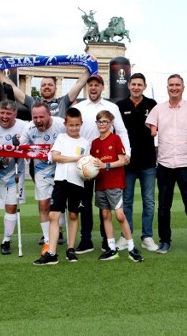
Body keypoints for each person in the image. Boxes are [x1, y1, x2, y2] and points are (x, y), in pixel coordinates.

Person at [146, 74, 187, 255]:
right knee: (164, 206)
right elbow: (152, 132)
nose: (174, 88)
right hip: (165, 163)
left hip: (186, 163)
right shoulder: (158, 109)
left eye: (177, 85)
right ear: (167, 87)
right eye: (171, 85)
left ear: (183, 87)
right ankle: (165, 241)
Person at [75, 74, 131, 254]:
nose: (93, 88)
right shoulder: (79, 106)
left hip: (105, 161)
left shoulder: (111, 107)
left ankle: (107, 241)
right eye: (90, 84)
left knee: (104, 204)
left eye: (96, 85)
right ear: (86, 87)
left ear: (102, 87)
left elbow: (121, 131)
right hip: (85, 162)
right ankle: (86, 240)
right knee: (85, 202)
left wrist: (126, 153)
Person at [33, 108, 89, 265]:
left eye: (77, 125)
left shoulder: (85, 142)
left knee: (73, 215)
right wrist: (76, 158)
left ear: (81, 124)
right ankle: (51, 252)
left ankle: (70, 249)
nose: (74, 128)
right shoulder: (61, 138)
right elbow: (56, 157)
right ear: (65, 124)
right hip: (60, 181)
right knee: (53, 216)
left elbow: (86, 164)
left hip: (77, 183)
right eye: (71, 125)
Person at [91, 110, 144, 262]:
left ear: (111, 123)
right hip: (100, 183)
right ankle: (112, 248)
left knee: (120, 215)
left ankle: (132, 248)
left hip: (114, 183)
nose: (102, 124)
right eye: (99, 122)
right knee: (105, 215)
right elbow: (93, 164)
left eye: (105, 122)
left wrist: (105, 164)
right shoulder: (94, 143)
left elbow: (122, 161)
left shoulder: (115, 139)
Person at [116, 72, 158, 252]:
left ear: (144, 86)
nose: (136, 87)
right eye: (133, 84)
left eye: (139, 84)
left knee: (149, 201)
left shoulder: (152, 104)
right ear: (129, 86)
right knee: (127, 200)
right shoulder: (120, 105)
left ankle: (147, 236)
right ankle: (127, 235)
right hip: (127, 162)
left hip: (148, 161)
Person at [20, 102, 67, 254]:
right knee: (44, 204)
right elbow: (21, 149)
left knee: (62, 204)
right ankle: (47, 241)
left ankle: (61, 234)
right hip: (40, 170)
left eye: (41, 117)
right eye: (35, 117)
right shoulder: (28, 128)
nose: (38, 120)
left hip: (61, 168)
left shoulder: (61, 125)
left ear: (49, 115)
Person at [0, 100, 27, 255]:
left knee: (11, 207)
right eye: (2, 113)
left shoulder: (23, 126)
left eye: (8, 113)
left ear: (15, 114)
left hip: (16, 173)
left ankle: (6, 240)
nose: (4, 116)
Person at [0, 70, 90, 118]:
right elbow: (13, 87)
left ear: (55, 88)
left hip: (58, 147)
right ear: (40, 89)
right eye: (44, 85)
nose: (47, 87)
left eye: (50, 85)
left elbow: (80, 84)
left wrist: (89, 68)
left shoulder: (63, 102)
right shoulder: (33, 102)